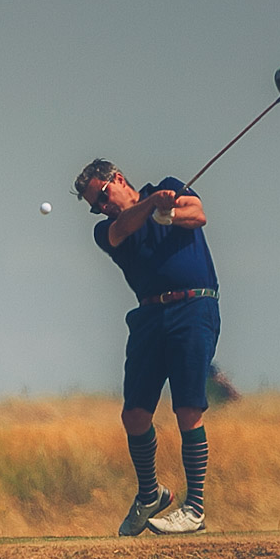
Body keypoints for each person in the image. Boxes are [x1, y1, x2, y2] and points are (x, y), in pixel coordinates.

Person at [74, 159, 218, 536]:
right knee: (134, 415)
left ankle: (195, 509)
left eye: (103, 196)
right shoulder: (107, 229)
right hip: (150, 315)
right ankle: (150, 494)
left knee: (189, 407)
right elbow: (123, 228)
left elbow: (197, 215)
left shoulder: (170, 185)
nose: (102, 207)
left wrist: (169, 208)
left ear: (118, 178)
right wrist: (154, 205)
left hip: (193, 307)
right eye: (96, 205)